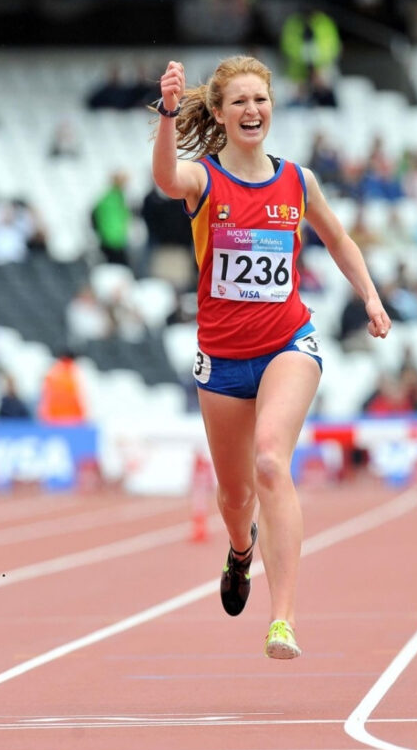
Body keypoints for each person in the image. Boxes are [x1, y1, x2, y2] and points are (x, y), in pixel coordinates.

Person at [151, 56, 391, 659]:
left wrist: (370, 295)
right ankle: (240, 549)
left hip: (290, 342)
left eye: (260, 99)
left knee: (269, 462)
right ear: (220, 113)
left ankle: (281, 618)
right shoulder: (204, 180)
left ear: (272, 106)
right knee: (235, 500)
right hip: (224, 359)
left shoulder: (297, 181)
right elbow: (163, 179)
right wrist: (167, 114)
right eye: (238, 102)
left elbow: (337, 237)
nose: (251, 111)